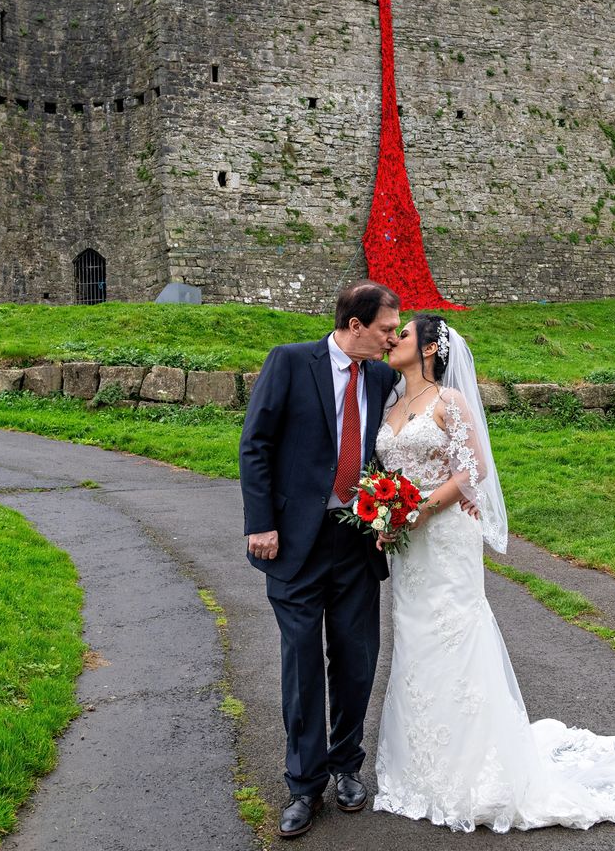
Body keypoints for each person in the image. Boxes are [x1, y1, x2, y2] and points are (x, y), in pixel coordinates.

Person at [372, 313, 615, 832]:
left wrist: (420, 507)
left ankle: (477, 768)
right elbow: (387, 472)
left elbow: (474, 470)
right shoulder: (392, 404)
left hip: (442, 536)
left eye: (402, 334)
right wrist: (385, 513)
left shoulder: (450, 402)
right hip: (406, 545)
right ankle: (419, 764)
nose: (392, 339)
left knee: (455, 635)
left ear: (427, 350)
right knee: (415, 640)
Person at [239, 280, 402, 839]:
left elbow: (391, 451)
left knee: (357, 659)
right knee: (303, 662)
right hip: (293, 542)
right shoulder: (288, 363)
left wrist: (391, 516)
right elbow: (255, 443)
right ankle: (303, 785)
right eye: (384, 329)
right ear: (354, 325)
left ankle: (346, 765)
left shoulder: (382, 378)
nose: (391, 338)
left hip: (356, 543)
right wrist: (261, 521)